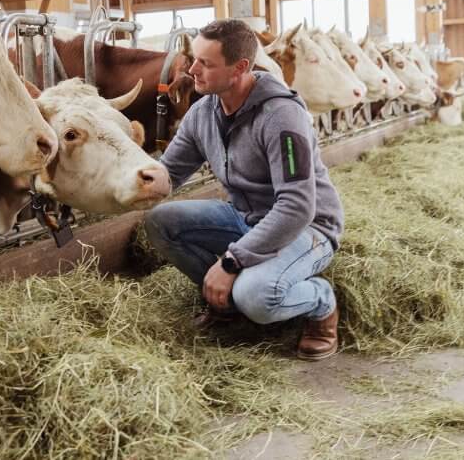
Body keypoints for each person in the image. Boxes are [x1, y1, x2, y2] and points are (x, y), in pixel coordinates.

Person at [143, 19, 344, 360]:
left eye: (205, 63)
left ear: (239, 68)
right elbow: (170, 174)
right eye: (194, 59)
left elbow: (296, 207)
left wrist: (232, 263)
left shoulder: (281, 116)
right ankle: (225, 304)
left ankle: (321, 305)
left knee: (258, 297)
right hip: (247, 218)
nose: (192, 70)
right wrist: (122, 179)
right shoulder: (202, 113)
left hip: (307, 227)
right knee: (161, 221)